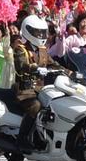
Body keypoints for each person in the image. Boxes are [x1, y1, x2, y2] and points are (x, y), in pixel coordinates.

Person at [12, 15, 59, 150]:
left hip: (40, 89)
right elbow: (21, 65)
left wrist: (72, 73)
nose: (40, 35)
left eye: (42, 32)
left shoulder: (43, 50)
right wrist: (36, 68)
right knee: (36, 106)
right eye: (37, 32)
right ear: (28, 31)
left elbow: (53, 64)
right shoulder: (20, 48)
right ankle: (22, 139)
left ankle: (41, 138)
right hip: (24, 90)